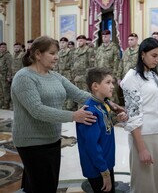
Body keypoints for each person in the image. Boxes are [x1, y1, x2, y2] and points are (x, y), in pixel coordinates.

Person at [11, 35, 97, 193]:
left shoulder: (55, 76)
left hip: (52, 139)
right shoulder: (24, 77)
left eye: (57, 53)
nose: (56, 57)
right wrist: (73, 116)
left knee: (45, 184)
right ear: (38, 54)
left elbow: (78, 94)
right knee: (42, 186)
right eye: (52, 53)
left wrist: (106, 103)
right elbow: (37, 110)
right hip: (32, 141)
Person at [120, 37, 158, 193]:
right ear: (142, 54)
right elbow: (133, 115)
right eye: (154, 56)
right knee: (144, 185)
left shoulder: (153, 75)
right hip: (143, 135)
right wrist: (141, 148)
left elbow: (157, 106)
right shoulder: (131, 78)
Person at [76, 67, 128, 193]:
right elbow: (92, 145)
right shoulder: (90, 112)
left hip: (105, 162)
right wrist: (104, 173)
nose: (112, 86)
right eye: (108, 82)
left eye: (113, 82)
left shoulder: (103, 104)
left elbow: (105, 126)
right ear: (95, 86)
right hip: (98, 168)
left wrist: (118, 119)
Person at [95, 29, 121, 104]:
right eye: (103, 36)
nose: (104, 38)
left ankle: (114, 113)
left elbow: (117, 63)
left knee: (111, 95)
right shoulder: (99, 49)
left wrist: (114, 76)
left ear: (109, 36)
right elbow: (96, 62)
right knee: (102, 95)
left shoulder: (114, 48)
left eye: (106, 36)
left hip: (110, 75)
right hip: (101, 76)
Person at [0, 42, 13, 109]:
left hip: (5, 76)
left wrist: (9, 76)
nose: (2, 49)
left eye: (3, 47)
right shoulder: (1, 55)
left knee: (6, 90)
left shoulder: (7, 56)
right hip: (1, 76)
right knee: (1, 91)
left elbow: (10, 66)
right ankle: (2, 103)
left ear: (6, 48)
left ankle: (6, 104)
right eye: (1, 47)